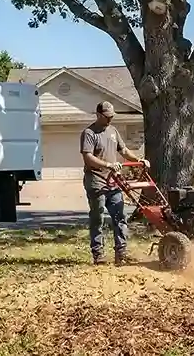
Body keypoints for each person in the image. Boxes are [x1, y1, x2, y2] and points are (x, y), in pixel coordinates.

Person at [80, 101, 147, 265]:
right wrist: (108, 164)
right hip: (96, 180)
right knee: (98, 217)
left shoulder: (113, 131)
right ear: (98, 115)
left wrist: (139, 160)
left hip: (113, 181)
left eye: (112, 116)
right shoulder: (89, 133)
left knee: (119, 216)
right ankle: (98, 254)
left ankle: (121, 253)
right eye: (107, 117)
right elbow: (88, 157)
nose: (110, 119)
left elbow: (123, 151)